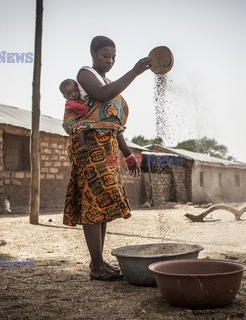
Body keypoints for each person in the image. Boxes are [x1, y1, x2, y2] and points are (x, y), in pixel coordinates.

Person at [63, 35, 151, 281]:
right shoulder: (85, 74)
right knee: (92, 202)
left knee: (101, 203)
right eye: (105, 56)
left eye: (113, 57)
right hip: (89, 147)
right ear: (93, 55)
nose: (110, 60)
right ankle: (96, 265)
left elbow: (113, 123)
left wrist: (128, 154)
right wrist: (133, 72)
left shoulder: (109, 80)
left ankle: (99, 262)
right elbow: (101, 95)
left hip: (108, 148)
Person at [60, 78, 90, 153]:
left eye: (75, 91)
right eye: (69, 94)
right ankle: (82, 146)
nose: (73, 94)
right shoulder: (70, 103)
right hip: (69, 124)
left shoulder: (76, 101)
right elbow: (84, 109)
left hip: (73, 122)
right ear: (65, 96)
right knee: (81, 127)